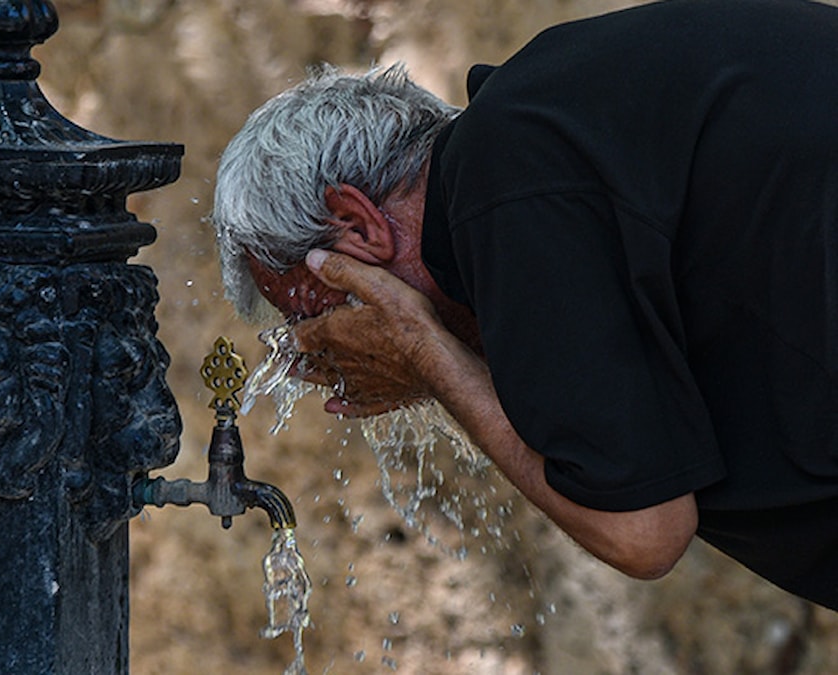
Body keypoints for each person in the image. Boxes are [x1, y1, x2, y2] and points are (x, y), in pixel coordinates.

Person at [210, 0, 838, 610]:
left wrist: (424, 352)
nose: (326, 344)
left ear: (357, 226)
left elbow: (643, 532)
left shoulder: (506, 180)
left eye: (311, 313)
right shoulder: (554, 127)